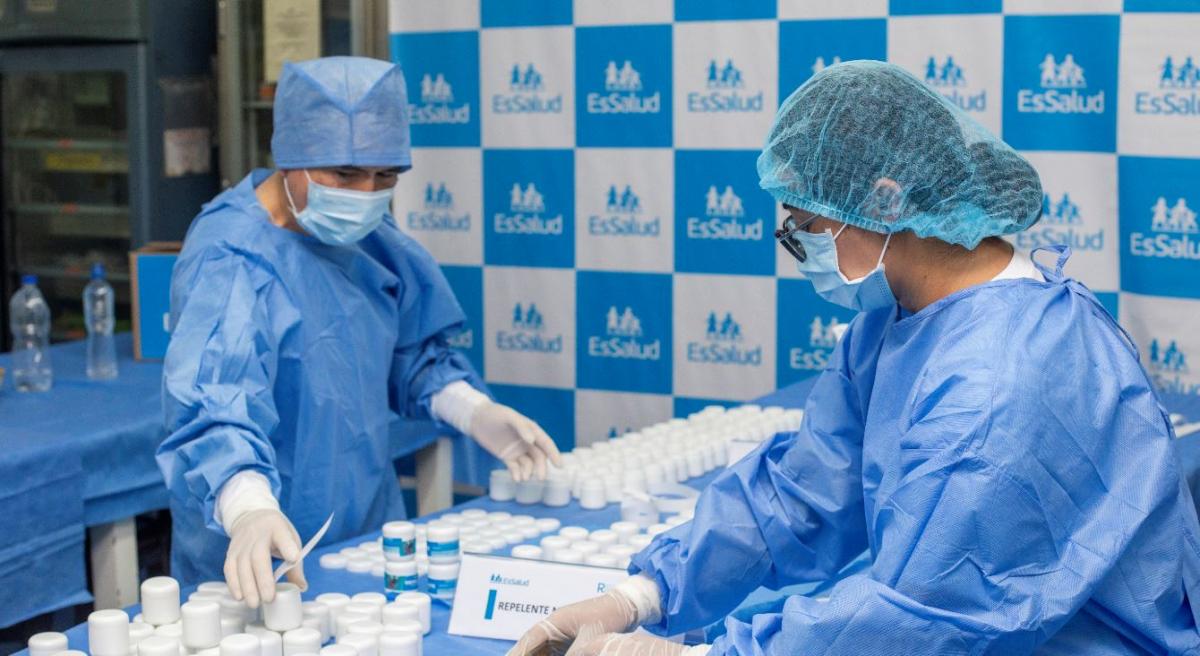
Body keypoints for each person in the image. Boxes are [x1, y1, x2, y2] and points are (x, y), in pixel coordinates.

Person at [509, 61, 1200, 655]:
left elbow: (919, 619)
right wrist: (643, 594)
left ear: (886, 200)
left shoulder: (995, 385)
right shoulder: (903, 318)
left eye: (807, 227)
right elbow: (807, 490)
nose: (800, 249)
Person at [158, 57, 561, 608]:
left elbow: (409, 358)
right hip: (255, 553)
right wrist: (248, 506)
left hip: (364, 536)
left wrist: (473, 411)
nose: (365, 194)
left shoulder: (365, 238)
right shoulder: (232, 256)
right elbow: (214, 404)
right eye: (345, 175)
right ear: (290, 158)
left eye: (385, 177)